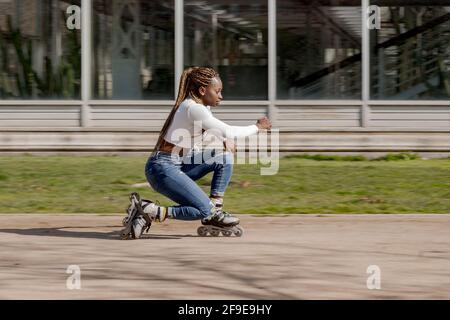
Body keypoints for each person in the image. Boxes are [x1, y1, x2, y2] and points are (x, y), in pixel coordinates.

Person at [120, 67, 272, 239]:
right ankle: (150, 210)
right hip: (161, 168)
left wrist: (223, 139)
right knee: (202, 210)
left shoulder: (200, 108)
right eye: (218, 91)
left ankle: (214, 213)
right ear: (202, 90)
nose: (221, 96)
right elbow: (229, 131)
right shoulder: (193, 108)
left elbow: (215, 130)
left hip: (177, 164)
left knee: (223, 157)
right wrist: (258, 127)